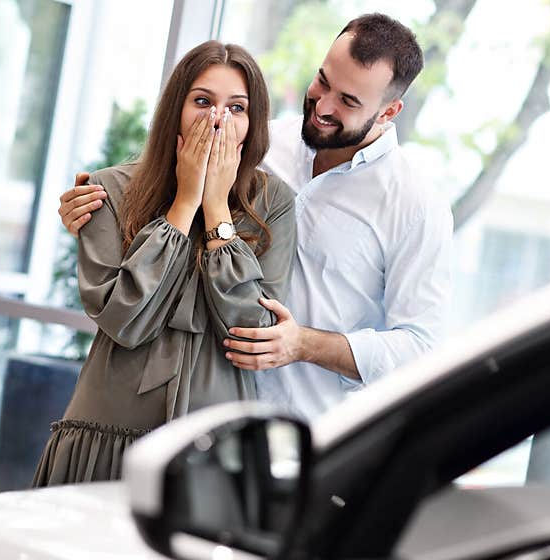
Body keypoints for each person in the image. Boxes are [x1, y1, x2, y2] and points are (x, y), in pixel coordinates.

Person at [58, 14, 452, 420]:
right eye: (322, 81)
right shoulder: (254, 142)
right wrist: (93, 209)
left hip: (310, 430)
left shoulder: (415, 206)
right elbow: (159, 187)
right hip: (201, 411)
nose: (323, 106)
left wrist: (304, 344)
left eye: (349, 101)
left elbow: (420, 347)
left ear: (389, 112)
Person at [33, 41, 297, 486]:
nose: (218, 119)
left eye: (237, 108)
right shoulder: (107, 190)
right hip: (105, 436)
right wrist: (185, 202)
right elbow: (123, 318)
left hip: (215, 452)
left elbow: (252, 327)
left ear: (253, 125)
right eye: (202, 101)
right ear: (175, 108)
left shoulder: (274, 203)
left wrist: (215, 209)